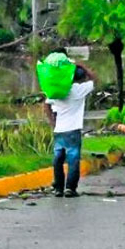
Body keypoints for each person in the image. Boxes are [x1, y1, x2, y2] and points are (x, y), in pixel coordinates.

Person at [44, 63, 96, 198]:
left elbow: (46, 104)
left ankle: (59, 188)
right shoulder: (79, 90)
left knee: (58, 160)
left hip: (59, 130)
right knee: (73, 159)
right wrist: (82, 66)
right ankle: (70, 188)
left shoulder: (59, 90)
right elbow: (95, 80)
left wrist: (52, 122)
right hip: (73, 130)